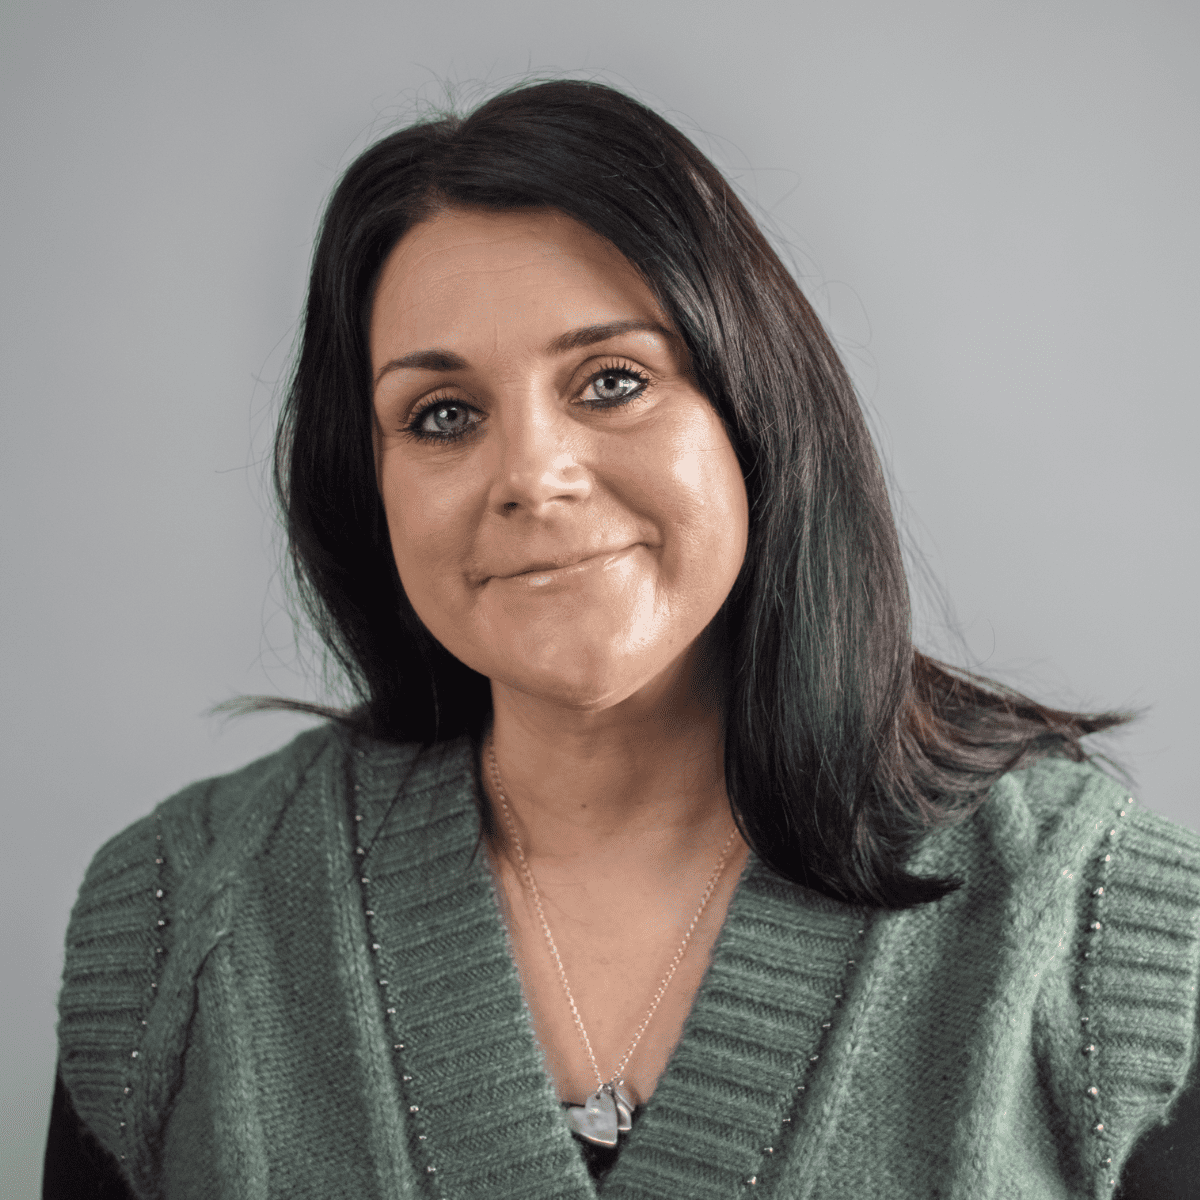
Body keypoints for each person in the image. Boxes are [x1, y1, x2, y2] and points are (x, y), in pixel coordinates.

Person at [45, 78, 1199, 1199]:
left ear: (754, 414)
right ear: (370, 488)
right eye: (443, 417)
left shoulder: (1094, 933)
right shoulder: (178, 921)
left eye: (611, 381)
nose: (533, 477)